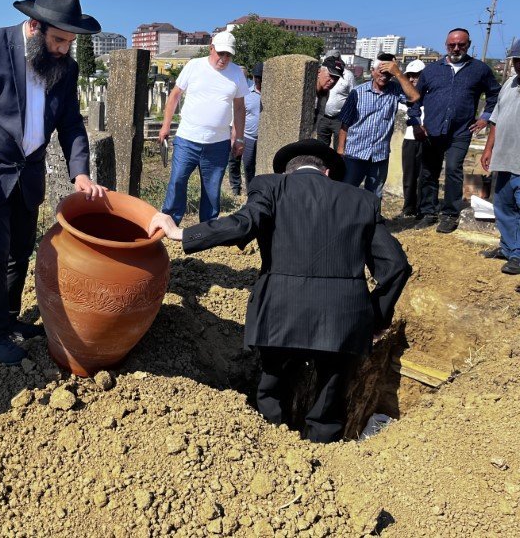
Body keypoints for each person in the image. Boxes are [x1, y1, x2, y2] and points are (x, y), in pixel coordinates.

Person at [148, 139, 411, 443]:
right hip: (343, 320)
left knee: (272, 393)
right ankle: (323, 462)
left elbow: (244, 224)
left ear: (288, 172)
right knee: (329, 404)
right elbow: (396, 267)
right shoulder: (361, 200)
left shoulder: (270, 187)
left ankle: (271, 452)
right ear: (328, 173)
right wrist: (374, 319)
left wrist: (182, 233)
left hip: (281, 313)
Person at [0, 0, 106, 366]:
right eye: (59, 40)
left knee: (20, 252)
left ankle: (11, 318)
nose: (65, 49)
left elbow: (71, 124)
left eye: (70, 42)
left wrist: (80, 173)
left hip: (28, 176)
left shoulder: (65, 67)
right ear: (34, 26)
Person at [410, 28, 502, 233]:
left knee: (453, 169)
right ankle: (428, 212)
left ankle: (450, 214)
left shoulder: (479, 70)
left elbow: (495, 95)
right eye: (452, 44)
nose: (456, 48)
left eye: (461, 44)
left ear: (468, 44)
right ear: (446, 45)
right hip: (431, 130)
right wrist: (415, 123)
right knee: (428, 172)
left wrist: (485, 119)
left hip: (460, 131)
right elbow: (414, 97)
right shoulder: (432, 70)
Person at [157, 31, 248, 224]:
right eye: (220, 53)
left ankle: (207, 228)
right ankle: (170, 222)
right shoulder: (194, 66)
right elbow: (175, 96)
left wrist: (239, 138)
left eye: (228, 55)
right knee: (178, 181)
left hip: (218, 143)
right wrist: (166, 125)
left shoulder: (236, 74)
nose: (223, 59)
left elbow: (239, 108)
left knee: (212, 188)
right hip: (188, 138)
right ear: (211, 48)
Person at [337, 53, 420, 205]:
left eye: (388, 74)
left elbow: (414, 97)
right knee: (346, 192)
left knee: (374, 196)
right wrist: (340, 149)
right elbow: (345, 123)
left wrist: (398, 74)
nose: (384, 77)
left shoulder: (395, 90)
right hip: (355, 153)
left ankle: (372, 224)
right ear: (373, 71)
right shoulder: (358, 92)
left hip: (379, 155)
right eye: (381, 73)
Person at [480, 40, 520, 275]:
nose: (518, 65)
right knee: (503, 207)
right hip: (504, 159)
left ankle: (518, 254)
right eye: (516, 60)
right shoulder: (509, 84)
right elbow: (495, 119)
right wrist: (488, 149)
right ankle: (508, 248)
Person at [396, 59, 426, 219]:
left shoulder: (429, 94)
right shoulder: (405, 96)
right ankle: (408, 207)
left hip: (426, 139)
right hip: (409, 138)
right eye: (410, 76)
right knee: (409, 176)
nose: (413, 79)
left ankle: (422, 208)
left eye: (416, 76)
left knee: (424, 176)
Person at [227, 63, 263, 195]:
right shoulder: (247, 94)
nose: (258, 80)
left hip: (260, 137)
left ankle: (256, 192)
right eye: (257, 78)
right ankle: (242, 189)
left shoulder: (268, 95)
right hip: (245, 135)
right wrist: (235, 135)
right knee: (244, 164)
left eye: (261, 78)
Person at [316, 49, 356, 148]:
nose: (332, 80)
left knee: (339, 149)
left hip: (339, 119)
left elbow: (354, 96)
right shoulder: (320, 74)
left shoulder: (348, 75)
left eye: (336, 58)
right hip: (323, 117)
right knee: (321, 148)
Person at [312, 56, 346, 129]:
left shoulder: (326, 93)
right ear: (319, 72)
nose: (333, 81)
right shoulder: (308, 92)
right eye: (330, 75)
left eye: (336, 78)